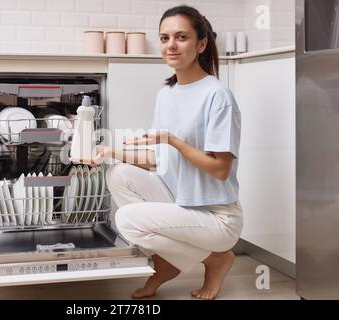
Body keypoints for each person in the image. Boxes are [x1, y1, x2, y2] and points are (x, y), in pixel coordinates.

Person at [73, 5, 242, 300]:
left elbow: (220, 169)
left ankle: (213, 259)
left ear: (201, 44)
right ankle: (168, 260)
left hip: (217, 217)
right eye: (164, 38)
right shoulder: (167, 94)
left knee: (126, 220)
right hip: (182, 204)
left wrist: (174, 141)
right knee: (119, 173)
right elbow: (159, 160)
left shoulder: (217, 95)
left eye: (181, 37)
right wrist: (109, 151)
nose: (171, 46)